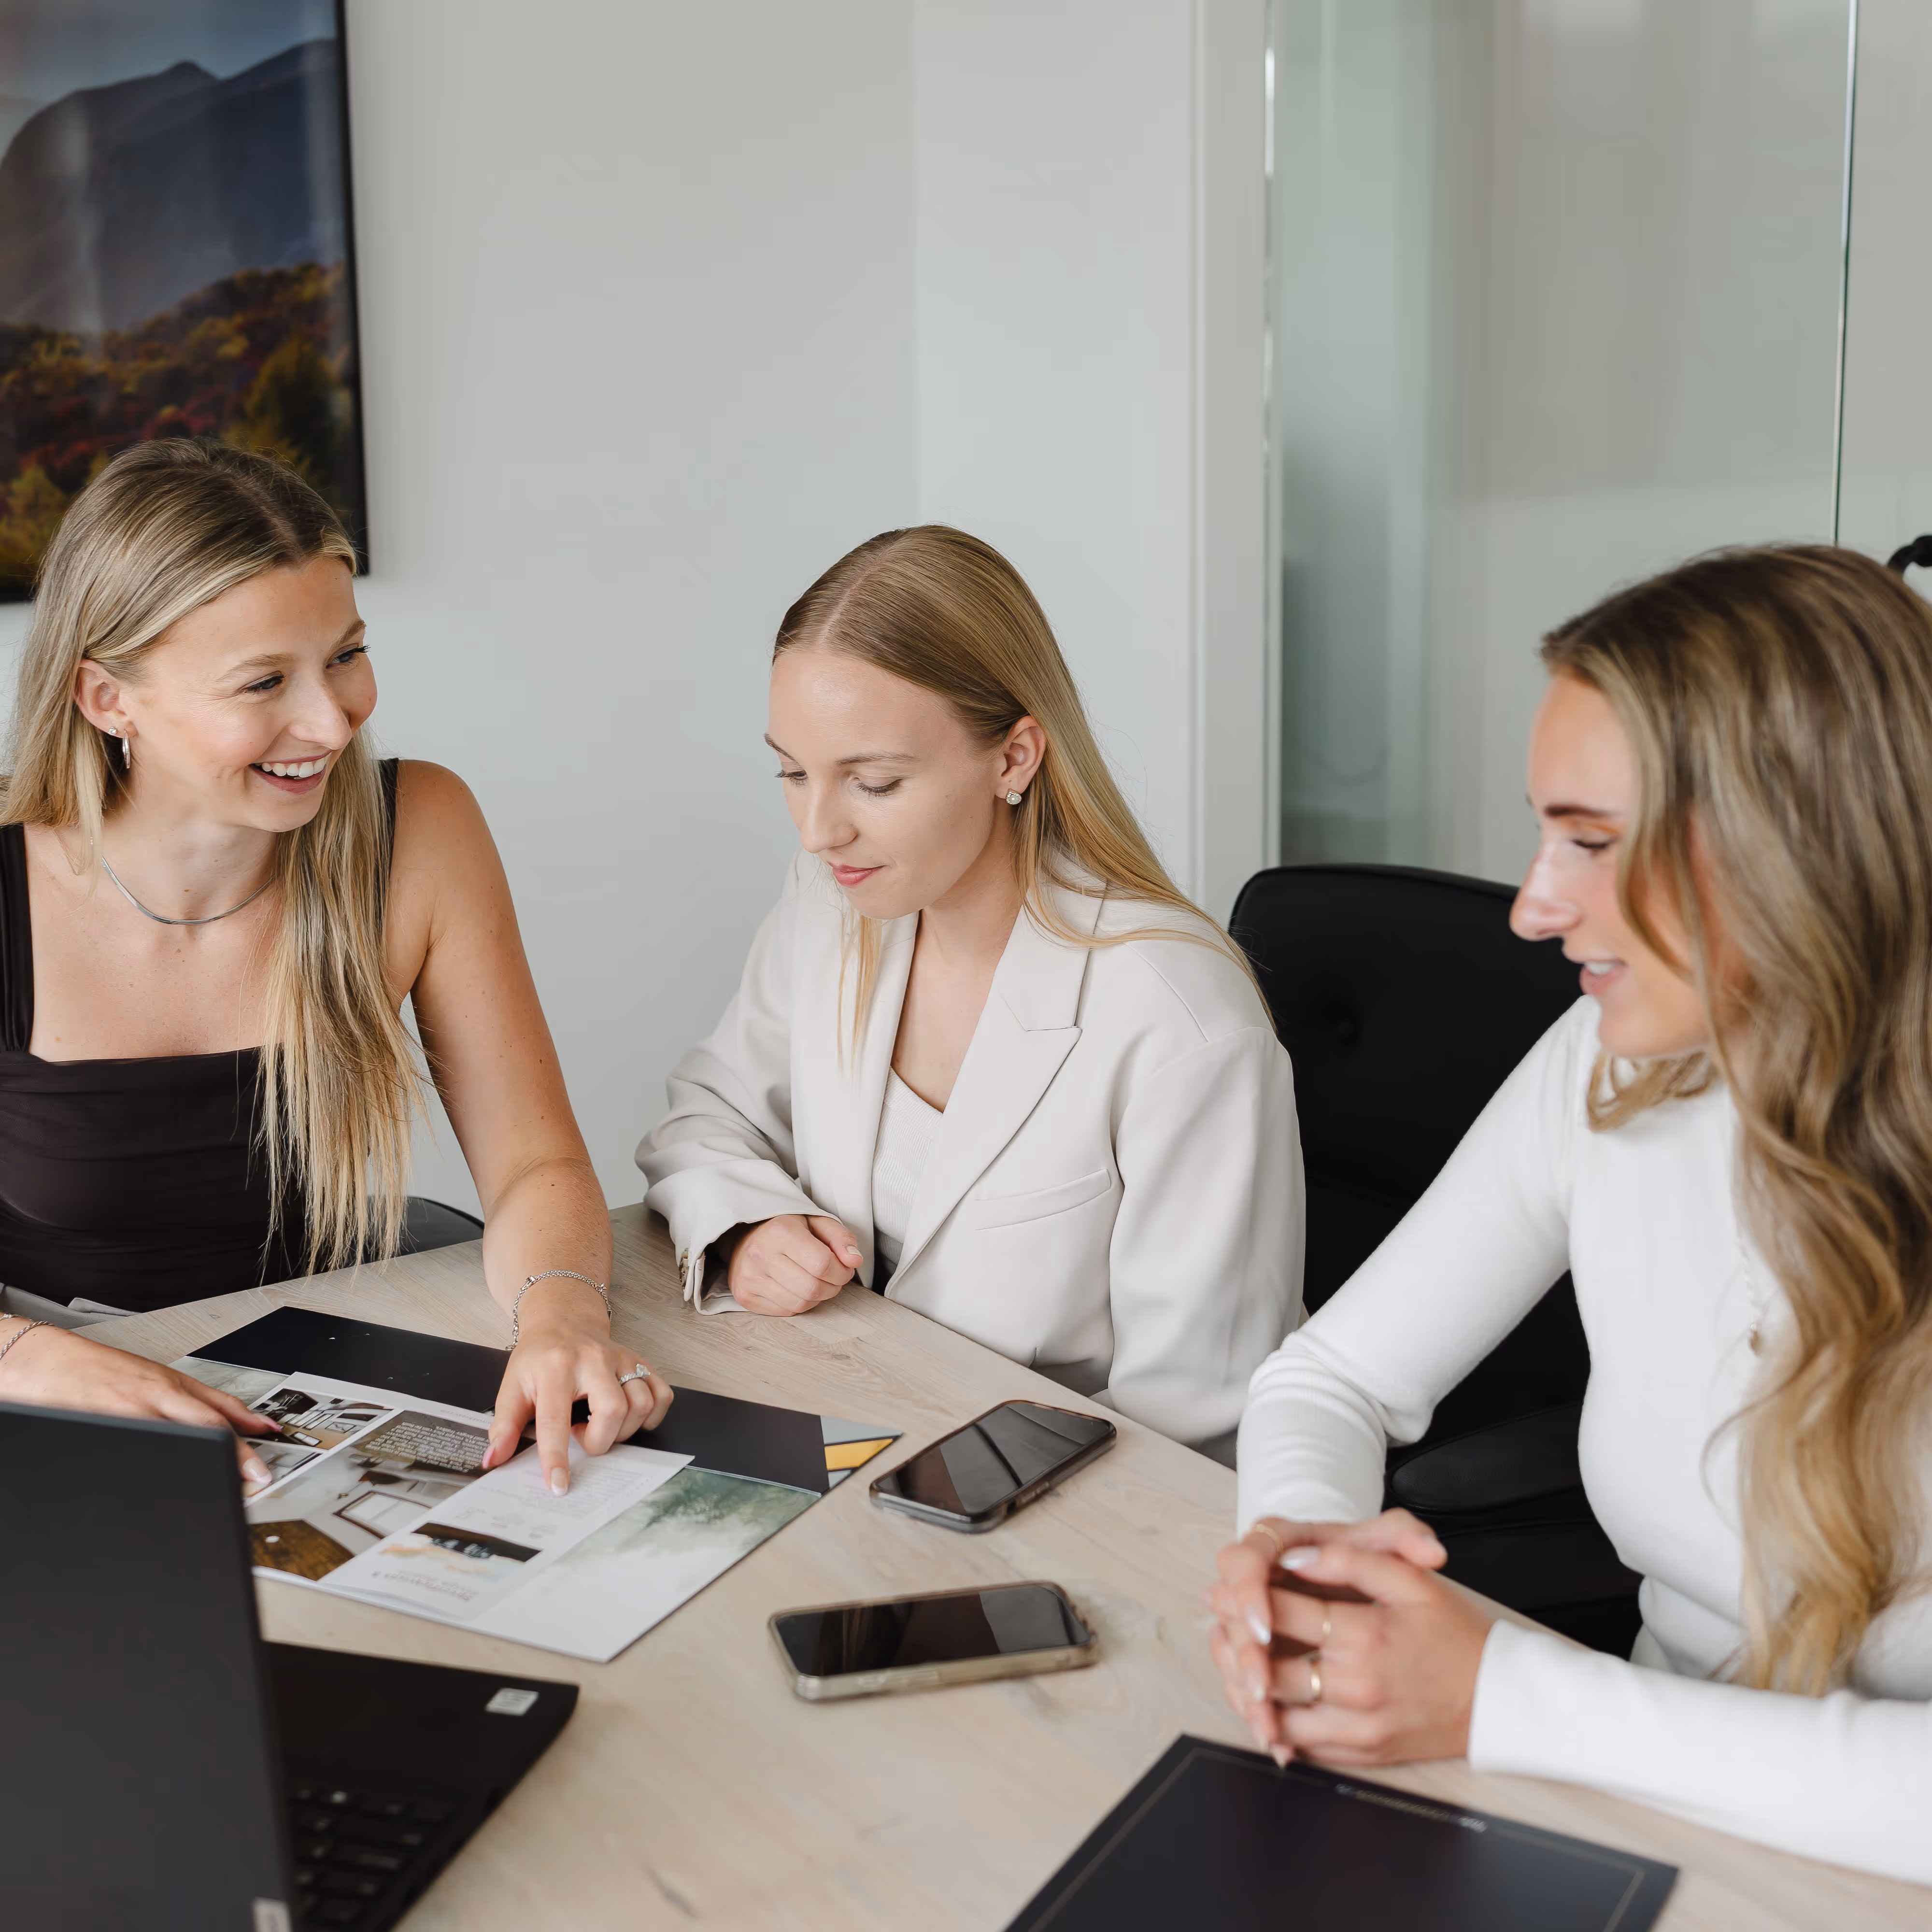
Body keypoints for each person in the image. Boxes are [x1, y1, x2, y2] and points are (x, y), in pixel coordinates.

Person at [1207, 545, 1932, 1883]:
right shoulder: (1609, 1069)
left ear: (1795, 845)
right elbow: (1330, 1377)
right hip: (1631, 1823)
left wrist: (1503, 1694)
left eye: (1591, 843)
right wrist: (1306, 1553)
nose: (1535, 909)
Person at [0, 440, 670, 1492]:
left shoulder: (422, 829)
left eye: (346, 654)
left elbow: (533, 1162)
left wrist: (560, 1314)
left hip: (323, 1362)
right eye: (264, 680)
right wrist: (28, 1360)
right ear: (104, 697)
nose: (332, 720)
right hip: (53, 1378)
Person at [638, 526, 1302, 1456]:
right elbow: (708, 1116)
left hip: (1060, 1495)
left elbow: (1200, 1425)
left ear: (1014, 759)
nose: (818, 831)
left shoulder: (1178, 1017)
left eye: (873, 782)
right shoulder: (832, 902)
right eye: (792, 772)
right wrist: (750, 1226)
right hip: (846, 1416)